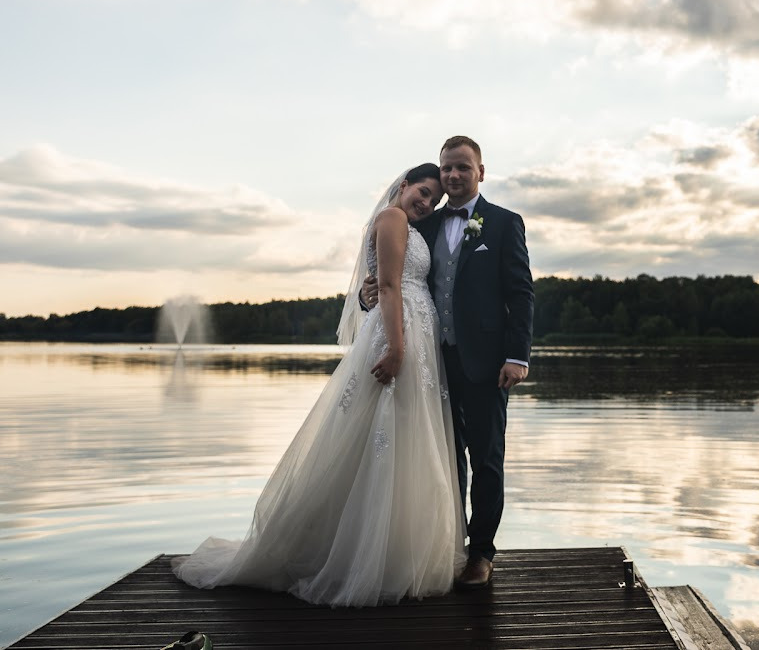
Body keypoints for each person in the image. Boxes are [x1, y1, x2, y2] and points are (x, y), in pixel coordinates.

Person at [172, 164, 466, 606]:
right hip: (397, 336)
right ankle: (357, 557)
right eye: (422, 192)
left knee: (401, 441)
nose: (426, 203)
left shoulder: (407, 223)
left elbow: (391, 281)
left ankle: (393, 554)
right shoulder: (391, 218)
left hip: (414, 337)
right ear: (404, 185)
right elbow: (387, 285)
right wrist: (398, 349)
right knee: (381, 436)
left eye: (434, 200)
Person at [361, 136, 534, 589]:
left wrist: (517, 357)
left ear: (481, 171)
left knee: (487, 460)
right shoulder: (423, 223)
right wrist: (368, 295)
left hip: (488, 363)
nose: (454, 176)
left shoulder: (503, 223)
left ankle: (481, 553)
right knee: (443, 458)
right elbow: (394, 279)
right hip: (430, 360)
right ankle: (449, 543)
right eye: (447, 169)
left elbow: (520, 293)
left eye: (463, 167)